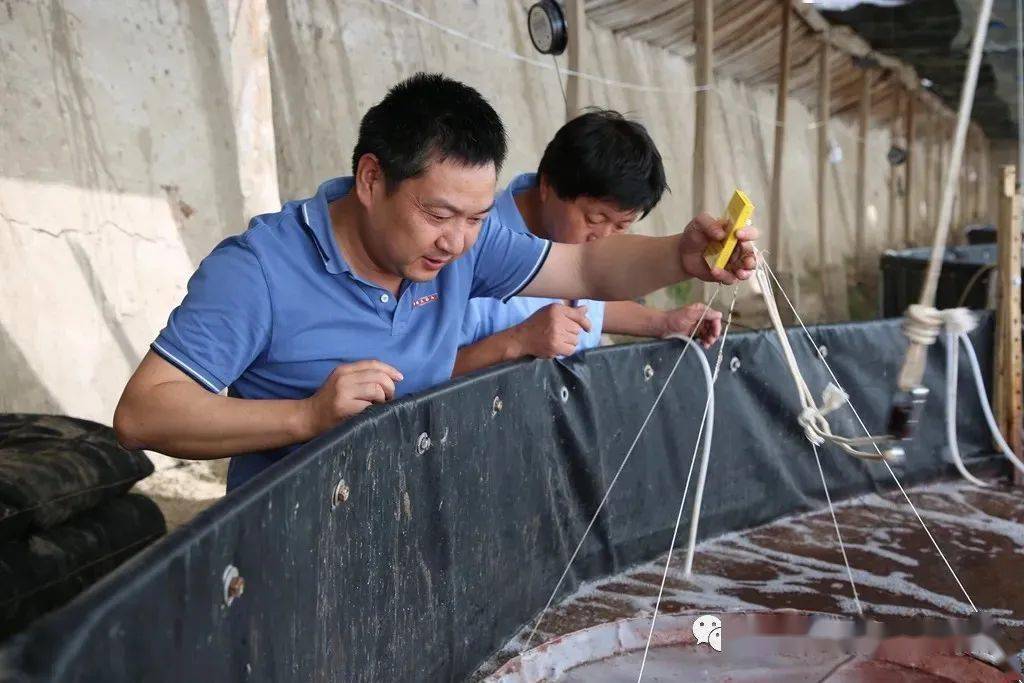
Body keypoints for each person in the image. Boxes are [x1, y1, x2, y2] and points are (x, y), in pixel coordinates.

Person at [113, 73, 757, 491]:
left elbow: (586, 268)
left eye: (477, 218)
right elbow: (143, 413)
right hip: (297, 551)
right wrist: (306, 415)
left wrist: (682, 256)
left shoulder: (464, 252)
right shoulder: (259, 271)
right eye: (437, 214)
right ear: (371, 180)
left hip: (421, 515)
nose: (456, 240)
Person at [454, 110, 722, 377]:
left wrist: (663, 322)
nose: (604, 238)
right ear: (547, 185)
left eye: (621, 226)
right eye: (595, 218)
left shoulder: (568, 242)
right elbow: (419, 380)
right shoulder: (468, 244)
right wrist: (516, 341)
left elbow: (592, 306)